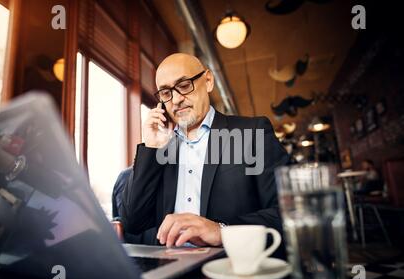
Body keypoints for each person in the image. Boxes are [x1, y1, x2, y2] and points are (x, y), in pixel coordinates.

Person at [121, 53, 289, 253]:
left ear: (208, 81)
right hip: (171, 271)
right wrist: (150, 148)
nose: (175, 100)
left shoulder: (252, 133)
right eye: (166, 93)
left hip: (233, 268)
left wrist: (222, 232)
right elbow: (132, 223)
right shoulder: (160, 151)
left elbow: (290, 212)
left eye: (184, 85)